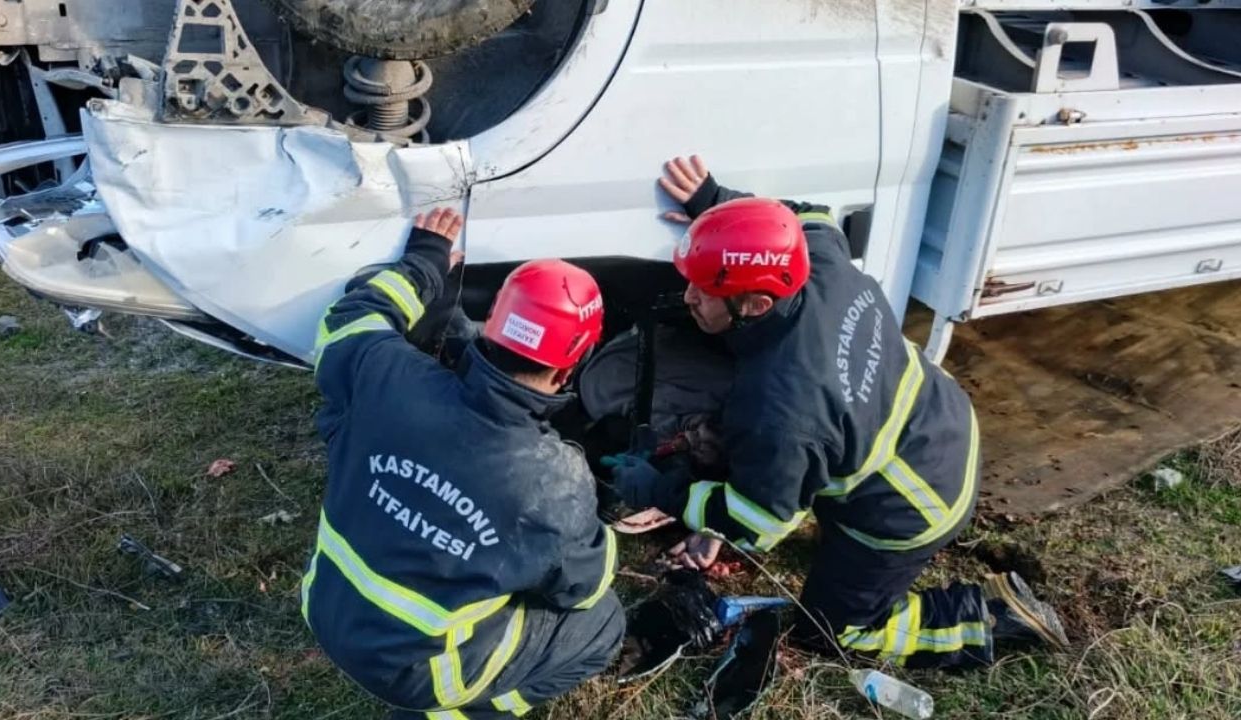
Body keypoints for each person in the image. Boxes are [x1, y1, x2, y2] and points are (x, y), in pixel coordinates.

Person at [608, 157, 1067, 668]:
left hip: (914, 505)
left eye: (707, 290)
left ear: (757, 305)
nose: (689, 296)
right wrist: (718, 205)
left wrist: (662, 490)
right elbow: (811, 216)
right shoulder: (818, 262)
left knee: (831, 632)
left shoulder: (781, 408)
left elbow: (757, 523)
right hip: (944, 422)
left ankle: (988, 618)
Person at [302, 208, 624, 719]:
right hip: (416, 673)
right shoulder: (552, 482)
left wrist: (425, 260)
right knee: (603, 625)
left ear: (493, 323)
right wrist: (602, 517)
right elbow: (583, 588)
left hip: (327, 607)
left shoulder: (388, 375)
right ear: (572, 363)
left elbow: (353, 317)